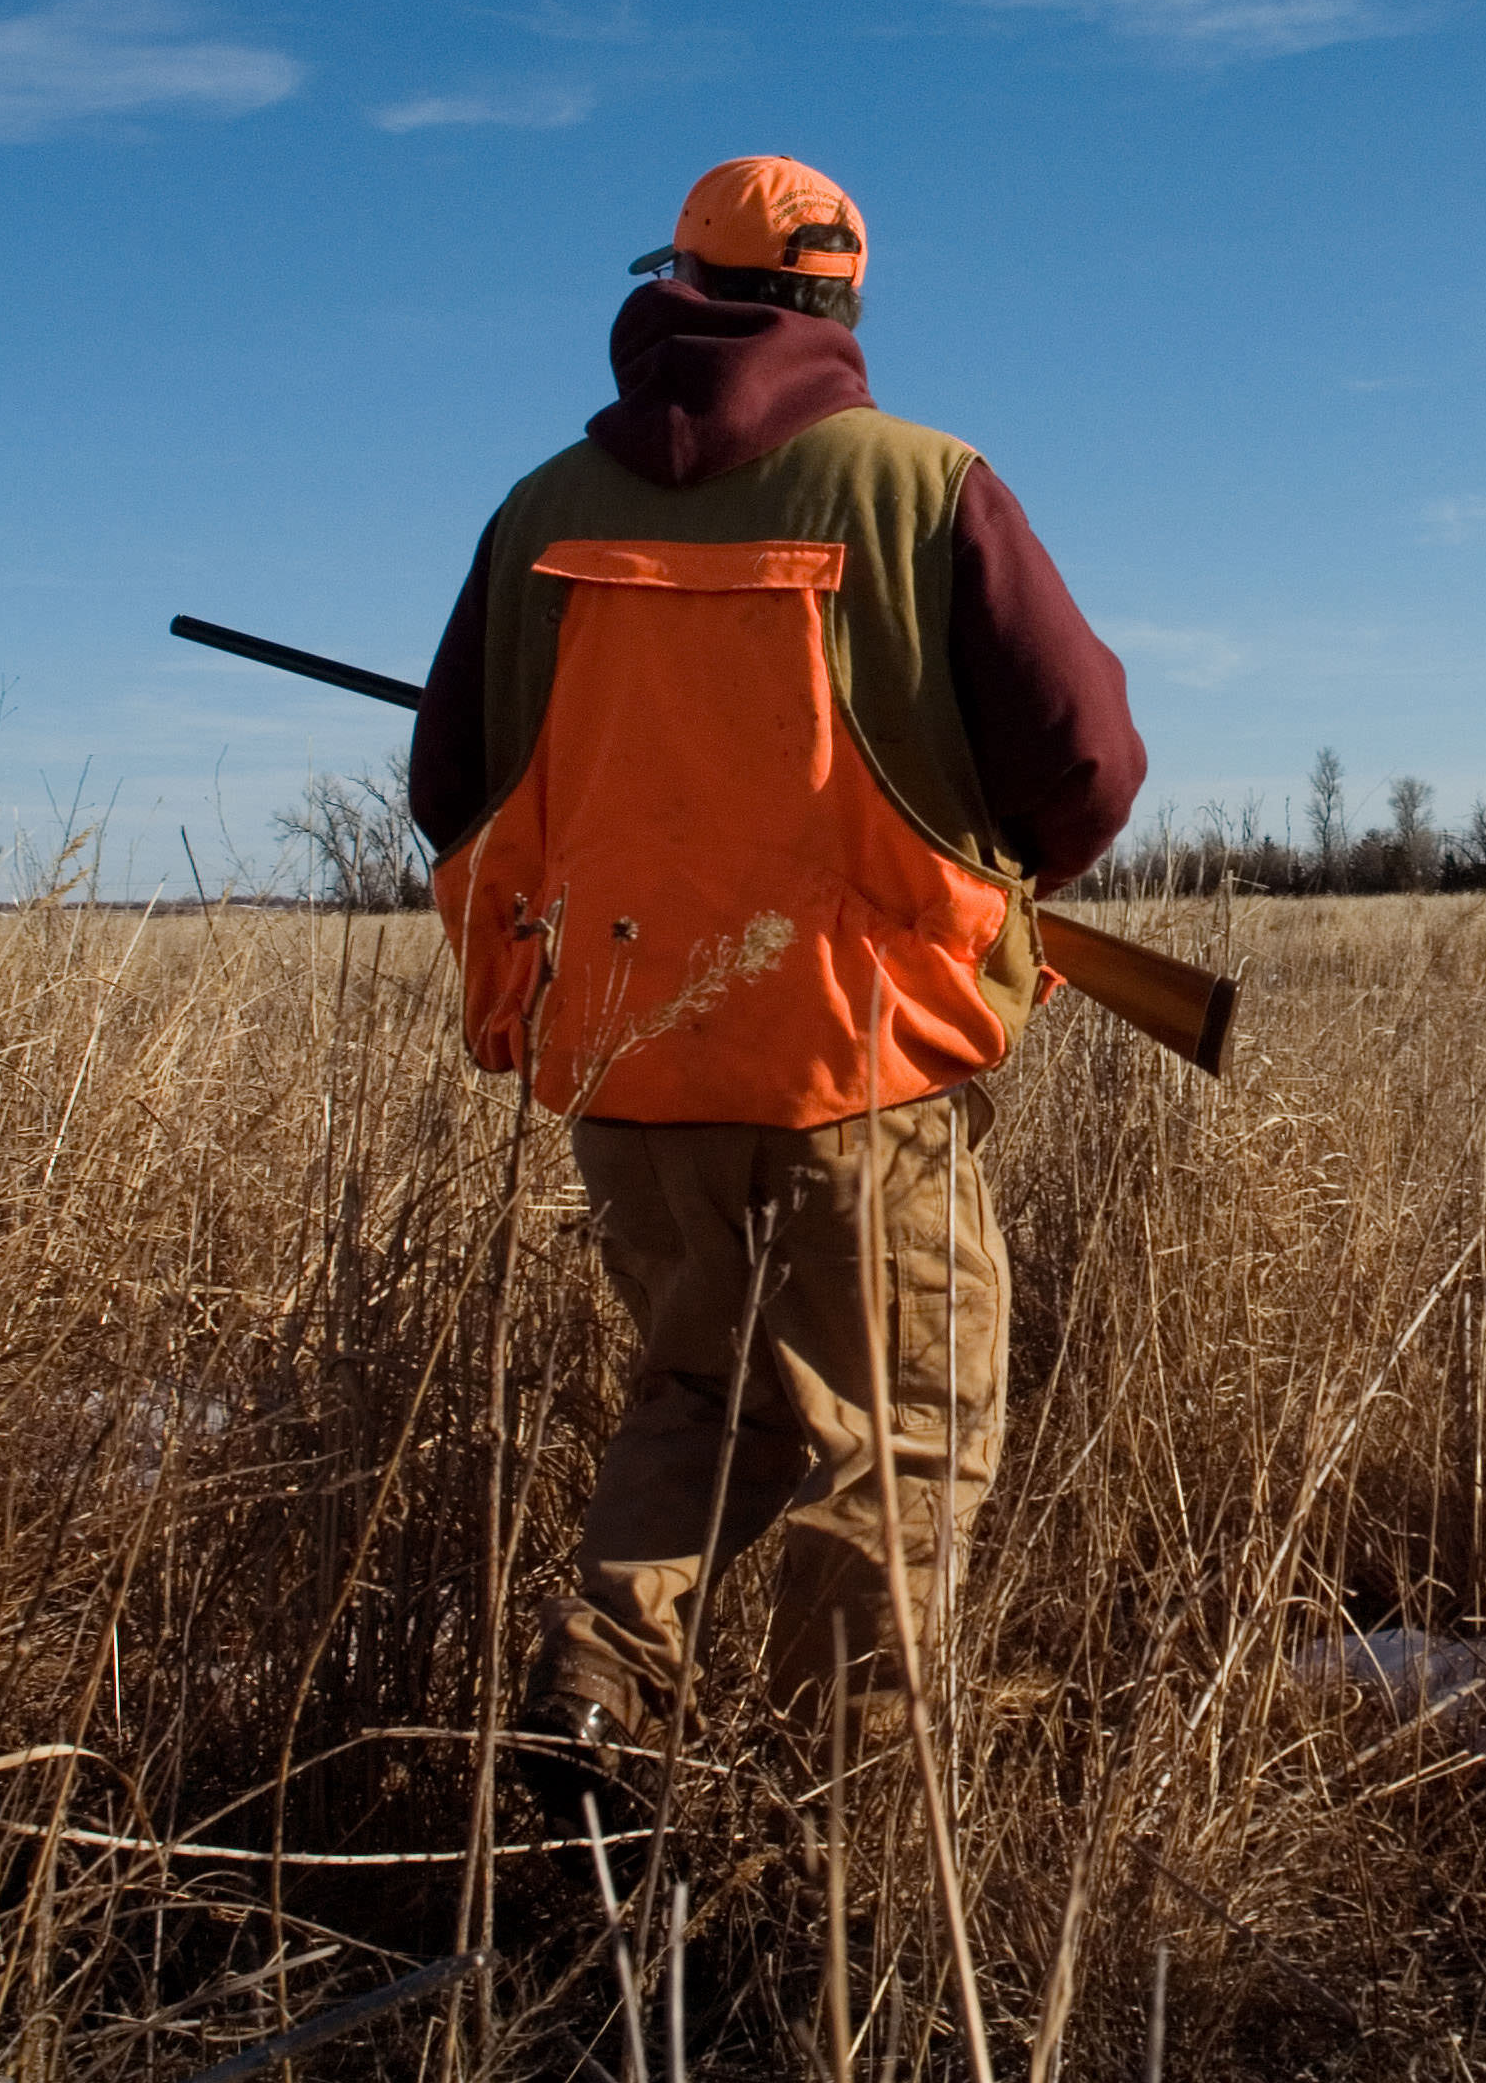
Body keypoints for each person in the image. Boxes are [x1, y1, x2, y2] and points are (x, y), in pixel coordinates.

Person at [407, 154, 1143, 1825]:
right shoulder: (924, 487)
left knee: (706, 1387)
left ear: (675, 287)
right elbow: (1088, 763)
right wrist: (967, 874)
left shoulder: (537, 513)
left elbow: (449, 780)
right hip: (852, 1069)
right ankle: (849, 1831)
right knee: (903, 1432)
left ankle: (599, 1681)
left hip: (629, 1072)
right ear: (839, 304)